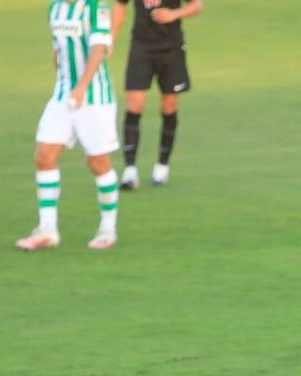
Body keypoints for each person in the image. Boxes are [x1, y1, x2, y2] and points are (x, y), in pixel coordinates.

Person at [17, 1, 122, 251]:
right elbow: (59, 50)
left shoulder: (96, 7)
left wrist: (82, 87)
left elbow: (99, 49)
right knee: (44, 155)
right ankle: (47, 230)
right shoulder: (55, 8)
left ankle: (108, 228)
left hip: (94, 97)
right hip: (63, 94)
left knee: (98, 163)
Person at [112, 0, 202, 189]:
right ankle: (130, 170)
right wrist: (110, 40)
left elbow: (196, 6)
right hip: (141, 48)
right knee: (134, 105)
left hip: (172, 49)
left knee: (169, 106)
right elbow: (119, 6)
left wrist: (174, 14)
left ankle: (162, 166)